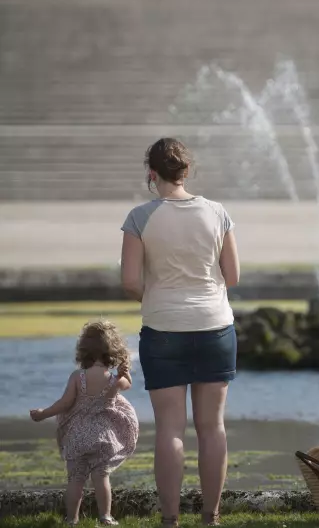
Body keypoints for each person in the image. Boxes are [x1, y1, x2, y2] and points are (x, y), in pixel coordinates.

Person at [120, 137, 240, 528]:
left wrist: (154, 296)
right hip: (215, 327)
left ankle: (170, 520)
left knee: (171, 429)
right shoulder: (218, 213)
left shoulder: (140, 216)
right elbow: (233, 277)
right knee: (212, 427)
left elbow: (129, 282)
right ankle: (212, 516)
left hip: (163, 328)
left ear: (151, 174)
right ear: (186, 171)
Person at [30, 321, 139, 526]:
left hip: (77, 435)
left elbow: (64, 403)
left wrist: (43, 413)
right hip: (103, 437)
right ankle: (105, 516)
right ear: (113, 350)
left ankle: (72, 519)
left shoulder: (77, 377)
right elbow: (128, 384)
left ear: (83, 349)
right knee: (101, 476)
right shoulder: (113, 379)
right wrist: (125, 370)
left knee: (76, 479)